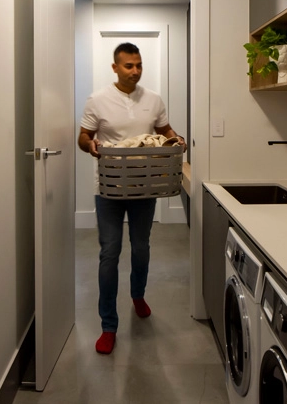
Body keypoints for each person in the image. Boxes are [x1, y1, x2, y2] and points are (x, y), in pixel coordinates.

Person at [78, 42, 186, 355]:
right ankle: (108, 325)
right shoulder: (97, 100)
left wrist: (175, 140)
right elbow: (82, 137)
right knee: (109, 252)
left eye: (139, 65)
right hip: (109, 188)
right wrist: (92, 145)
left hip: (145, 186)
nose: (135, 71)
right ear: (115, 67)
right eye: (128, 66)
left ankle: (137, 294)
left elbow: (165, 130)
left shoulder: (153, 99)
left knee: (141, 248)